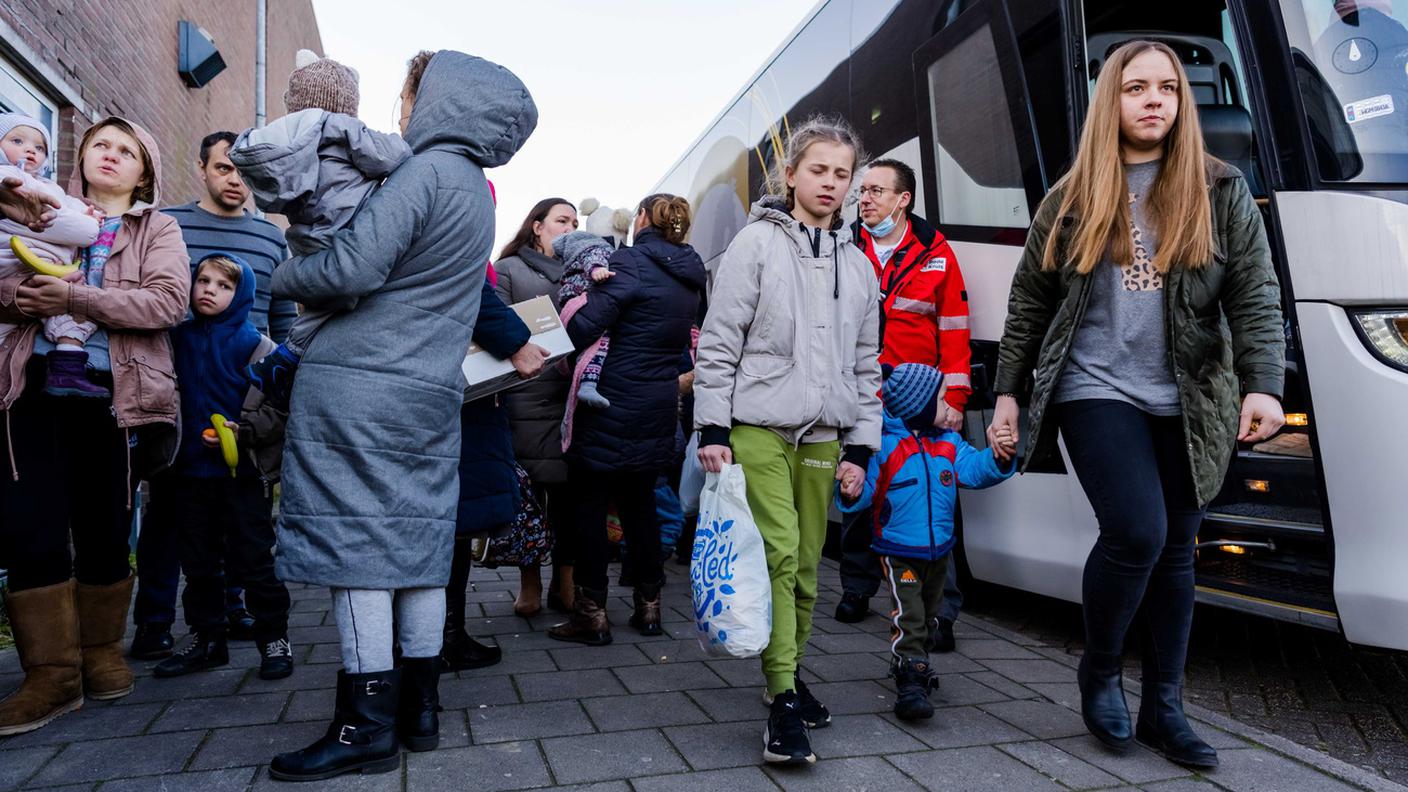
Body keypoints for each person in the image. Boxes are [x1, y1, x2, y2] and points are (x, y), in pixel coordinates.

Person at [988, 40, 1286, 769]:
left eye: (1167, 88)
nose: (1153, 99)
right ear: (1109, 103)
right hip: (1095, 386)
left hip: (1190, 394)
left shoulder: (1221, 190)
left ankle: (1166, 707)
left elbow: (1254, 291)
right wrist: (1007, 395)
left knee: (1177, 551)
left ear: (1182, 101)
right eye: (1135, 88)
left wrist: (1264, 382)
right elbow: (1030, 300)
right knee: (1138, 532)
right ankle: (1099, 673)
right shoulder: (1072, 196)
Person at [265, 50, 537, 782]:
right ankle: (418, 710)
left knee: (361, 553)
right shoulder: (476, 190)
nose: (402, 107)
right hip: (427, 391)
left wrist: (283, 273)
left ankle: (363, 728)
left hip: (363, 386)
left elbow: (352, 268)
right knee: (416, 550)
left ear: (440, 98)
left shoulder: (422, 172)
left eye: (411, 92)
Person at [693, 116, 882, 766]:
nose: (830, 183)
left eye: (842, 173)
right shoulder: (755, 245)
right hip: (757, 428)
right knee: (777, 554)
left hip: (826, 434)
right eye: (819, 170)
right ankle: (781, 704)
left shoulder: (860, 267)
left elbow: (867, 366)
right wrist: (712, 427)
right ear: (792, 174)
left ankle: (791, 672)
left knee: (806, 569)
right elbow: (719, 342)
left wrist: (861, 448)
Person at [0, 116, 190, 736]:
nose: (110, 156)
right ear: (79, 158)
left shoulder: (157, 227)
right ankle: (50, 676)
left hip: (116, 393)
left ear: (145, 172)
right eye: (100, 145)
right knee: (33, 523)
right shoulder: (41, 207)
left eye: (127, 151)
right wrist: (18, 299)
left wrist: (76, 300)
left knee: (105, 524)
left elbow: (168, 302)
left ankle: (102, 653)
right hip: (31, 386)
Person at [132, 128, 299, 659]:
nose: (236, 180)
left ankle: (232, 615)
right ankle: (155, 623)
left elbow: (283, 317)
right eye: (225, 168)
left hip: (239, 392)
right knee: (168, 524)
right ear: (202, 167)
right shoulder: (169, 225)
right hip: (178, 383)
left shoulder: (272, 237)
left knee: (239, 527)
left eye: (245, 172)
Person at [548, 194, 705, 645]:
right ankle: (649, 609)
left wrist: (580, 299)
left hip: (608, 403)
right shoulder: (691, 275)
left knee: (590, 510)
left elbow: (580, 329)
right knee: (642, 509)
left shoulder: (629, 262)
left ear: (641, 219)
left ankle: (591, 615)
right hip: (656, 404)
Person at [837, 158, 972, 651]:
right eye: (863, 191)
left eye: (875, 190)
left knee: (937, 501)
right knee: (859, 490)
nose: (864, 198)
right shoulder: (844, 246)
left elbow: (955, 330)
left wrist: (953, 398)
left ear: (903, 199)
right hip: (860, 396)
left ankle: (943, 614)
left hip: (920, 401)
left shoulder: (936, 252)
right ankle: (857, 589)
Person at [230, 49, 414, 411]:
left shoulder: (288, 142)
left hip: (307, 234)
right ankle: (286, 359)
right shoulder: (340, 126)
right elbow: (388, 156)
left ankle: (281, 364)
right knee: (341, 301)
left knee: (315, 303)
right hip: (345, 226)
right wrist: (408, 148)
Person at [836, 363, 1014, 721]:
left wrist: (997, 457)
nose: (949, 407)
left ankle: (916, 658)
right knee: (910, 613)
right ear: (918, 408)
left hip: (939, 551)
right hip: (898, 551)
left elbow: (975, 469)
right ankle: (910, 675)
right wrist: (850, 489)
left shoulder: (949, 444)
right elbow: (866, 489)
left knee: (930, 614)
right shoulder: (885, 446)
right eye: (941, 400)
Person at [147, 255, 293, 682]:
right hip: (188, 474)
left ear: (242, 295)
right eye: (203, 281)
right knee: (199, 564)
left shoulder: (257, 346)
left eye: (224, 285)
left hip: (242, 476)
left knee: (255, 560)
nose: (209, 290)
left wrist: (243, 430)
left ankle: (274, 640)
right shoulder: (176, 339)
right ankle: (207, 640)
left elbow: (280, 410)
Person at [444, 275, 546, 670]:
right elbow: (468, 289)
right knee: (450, 523)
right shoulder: (455, 237)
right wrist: (515, 342)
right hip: (459, 401)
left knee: (444, 523)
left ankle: (435, 639)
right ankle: (443, 641)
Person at [494, 198, 579, 615]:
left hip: (571, 394)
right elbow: (497, 324)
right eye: (562, 220)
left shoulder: (583, 271)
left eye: (575, 222)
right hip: (523, 392)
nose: (570, 227)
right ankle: (530, 582)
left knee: (568, 496)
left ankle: (566, 582)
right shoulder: (508, 270)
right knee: (527, 496)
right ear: (537, 227)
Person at [0, 113, 101, 397]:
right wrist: (88, 222)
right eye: (17, 140)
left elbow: (70, 209)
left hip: (39, 269)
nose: (30, 150)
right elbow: (81, 230)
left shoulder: (50, 187)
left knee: (71, 307)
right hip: (11, 262)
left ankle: (67, 367)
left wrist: (85, 211)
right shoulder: (6, 179)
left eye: (40, 147)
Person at [553, 230, 616, 410]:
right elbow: (594, 260)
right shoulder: (594, 248)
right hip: (583, 301)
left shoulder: (573, 257)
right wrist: (598, 271)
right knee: (602, 343)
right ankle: (588, 384)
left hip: (573, 305)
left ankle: (588, 383)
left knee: (590, 347)